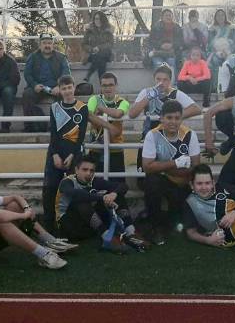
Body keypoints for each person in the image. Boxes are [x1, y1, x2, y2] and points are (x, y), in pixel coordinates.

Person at [42, 75, 118, 234]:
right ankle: (48, 226)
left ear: (74, 88)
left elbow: (81, 135)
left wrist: (72, 155)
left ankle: (74, 225)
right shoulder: (54, 107)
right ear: (59, 90)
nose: (67, 91)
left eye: (69, 87)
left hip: (74, 154)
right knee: (50, 188)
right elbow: (53, 134)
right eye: (64, 88)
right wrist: (55, 154)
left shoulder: (82, 107)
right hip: (55, 153)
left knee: (75, 191)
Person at [55, 155, 148, 253]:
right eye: (84, 170)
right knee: (82, 202)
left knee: (117, 195)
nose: (88, 173)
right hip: (70, 227)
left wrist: (113, 194)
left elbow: (123, 186)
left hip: (89, 226)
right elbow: (77, 194)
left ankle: (131, 233)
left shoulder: (94, 181)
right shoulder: (67, 182)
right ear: (76, 170)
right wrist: (103, 197)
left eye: (91, 170)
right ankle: (108, 239)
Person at [141, 100, 201, 245]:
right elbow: (147, 167)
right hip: (163, 181)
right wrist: (176, 163)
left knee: (178, 219)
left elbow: (195, 166)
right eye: (169, 118)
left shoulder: (189, 134)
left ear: (181, 119)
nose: (173, 122)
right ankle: (155, 228)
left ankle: (177, 223)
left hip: (182, 182)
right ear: (161, 118)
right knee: (151, 181)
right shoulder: (152, 135)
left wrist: (162, 167)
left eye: (177, 118)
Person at [22, 33, 71, 132]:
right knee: (27, 94)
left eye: (49, 43)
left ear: (53, 44)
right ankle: (31, 126)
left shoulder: (61, 57)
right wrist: (34, 85)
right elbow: (27, 74)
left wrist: (59, 86)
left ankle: (59, 126)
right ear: (40, 45)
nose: (47, 45)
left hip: (55, 87)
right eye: (44, 43)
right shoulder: (32, 57)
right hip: (38, 87)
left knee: (64, 93)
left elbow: (66, 73)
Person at [87, 72, 130, 182]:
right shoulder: (94, 99)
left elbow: (118, 114)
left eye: (111, 85)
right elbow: (88, 115)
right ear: (101, 87)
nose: (107, 88)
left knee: (118, 185)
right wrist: (110, 128)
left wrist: (101, 109)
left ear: (116, 85)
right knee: (94, 184)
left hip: (115, 149)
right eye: (104, 85)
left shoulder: (123, 102)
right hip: (95, 148)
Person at [207, 9, 235, 90]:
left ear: (225, 16)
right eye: (218, 15)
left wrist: (228, 51)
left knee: (231, 60)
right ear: (215, 17)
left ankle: (231, 86)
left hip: (230, 51)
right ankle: (216, 87)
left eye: (222, 15)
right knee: (215, 60)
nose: (220, 17)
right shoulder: (211, 29)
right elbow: (209, 44)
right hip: (216, 52)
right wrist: (218, 51)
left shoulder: (232, 28)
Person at [82, 11, 114, 84]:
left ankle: (89, 74)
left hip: (106, 54)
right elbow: (84, 44)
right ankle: (102, 84)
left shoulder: (108, 30)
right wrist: (91, 49)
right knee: (100, 60)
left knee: (101, 56)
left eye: (100, 19)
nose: (98, 21)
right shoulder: (89, 31)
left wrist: (99, 48)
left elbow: (110, 44)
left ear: (103, 20)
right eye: (96, 19)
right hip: (92, 54)